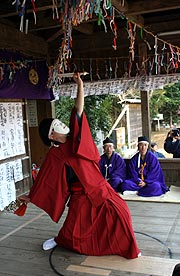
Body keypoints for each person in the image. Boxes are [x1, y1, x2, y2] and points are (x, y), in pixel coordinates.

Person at [19, 73, 140, 259]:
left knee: (121, 214)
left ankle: (127, 247)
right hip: (79, 195)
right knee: (74, 229)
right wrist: (32, 197)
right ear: (52, 135)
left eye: (59, 121)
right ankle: (60, 240)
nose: (60, 124)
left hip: (100, 189)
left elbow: (78, 111)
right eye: (56, 125)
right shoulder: (55, 155)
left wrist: (80, 86)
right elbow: (46, 181)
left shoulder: (76, 139)